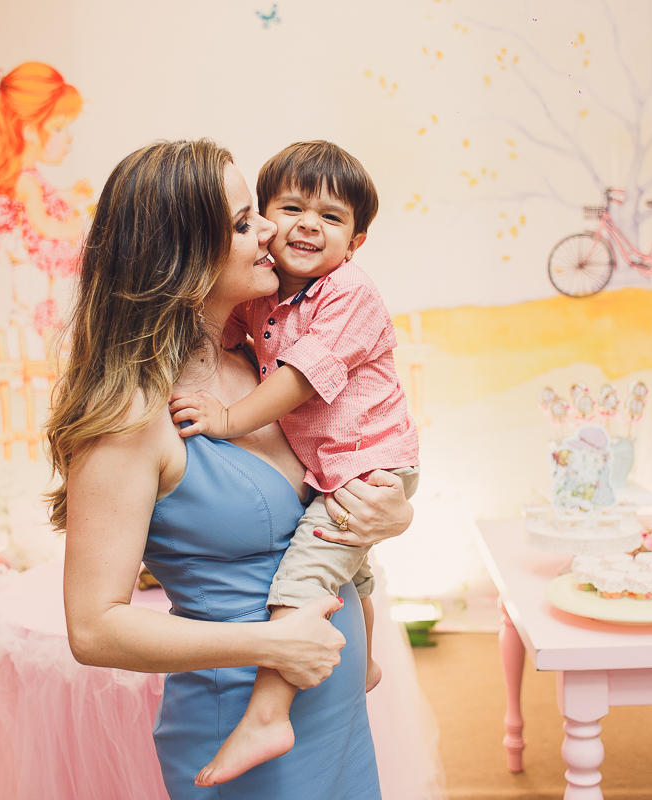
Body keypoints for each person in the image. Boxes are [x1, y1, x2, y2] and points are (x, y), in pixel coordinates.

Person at [48, 139, 413, 799]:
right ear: (184, 261)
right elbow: (93, 627)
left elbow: (338, 484)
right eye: (246, 223)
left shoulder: (261, 367)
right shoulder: (131, 419)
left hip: (330, 710)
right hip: (241, 724)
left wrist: (394, 513)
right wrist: (269, 647)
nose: (273, 230)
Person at [169, 141, 419, 787]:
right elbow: (226, 333)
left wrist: (226, 419)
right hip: (334, 467)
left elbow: (303, 377)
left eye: (331, 218)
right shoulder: (269, 295)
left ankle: (268, 713)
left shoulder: (348, 294)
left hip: (364, 461)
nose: (308, 224)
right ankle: (363, 664)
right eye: (285, 208)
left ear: (356, 243)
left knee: (310, 574)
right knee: (351, 572)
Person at [0, 61, 92, 333]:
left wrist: (71, 196)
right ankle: (30, 354)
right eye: (59, 128)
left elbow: (49, 198)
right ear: (30, 131)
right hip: (31, 256)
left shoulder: (30, 176)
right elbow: (41, 222)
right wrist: (71, 229)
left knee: (40, 310)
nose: (68, 138)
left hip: (34, 258)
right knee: (30, 311)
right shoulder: (25, 182)